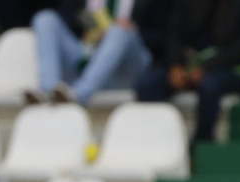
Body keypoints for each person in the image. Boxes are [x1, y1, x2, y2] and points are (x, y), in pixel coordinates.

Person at [134, 0, 240, 146]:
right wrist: (175, 64)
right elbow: (173, 32)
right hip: (186, 65)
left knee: (209, 86)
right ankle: (163, 142)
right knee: (147, 85)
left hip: (230, 67)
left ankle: (201, 143)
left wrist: (207, 67)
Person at [28, 0, 156, 105]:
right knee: (45, 18)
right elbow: (69, 17)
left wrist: (132, 28)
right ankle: (49, 92)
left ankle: (78, 96)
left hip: (126, 67)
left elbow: (161, 36)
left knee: (119, 31)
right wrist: (94, 30)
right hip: (87, 57)